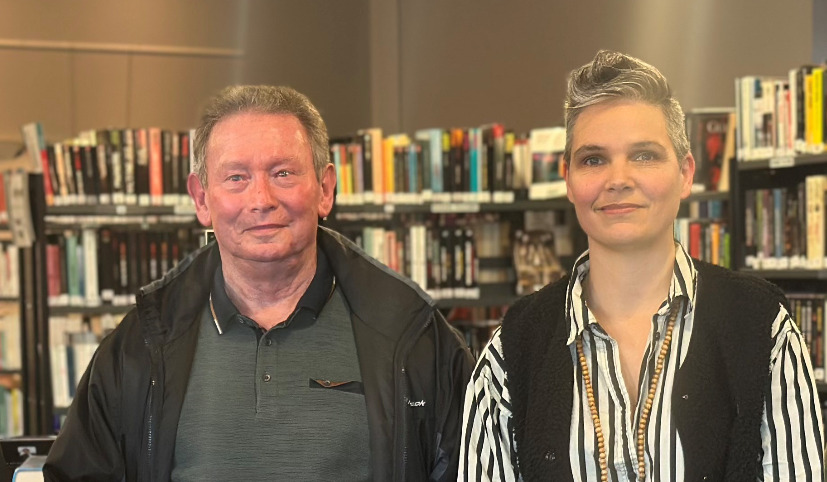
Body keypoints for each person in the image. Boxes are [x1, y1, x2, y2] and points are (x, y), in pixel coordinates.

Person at [43, 85, 473, 481]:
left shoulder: (413, 337)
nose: (261, 199)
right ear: (202, 199)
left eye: (283, 173)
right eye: (236, 177)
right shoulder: (140, 345)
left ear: (325, 189)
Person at [460, 50, 824, 481]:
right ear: (569, 179)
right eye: (593, 159)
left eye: (645, 155)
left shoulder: (764, 329)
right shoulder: (512, 351)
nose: (618, 178)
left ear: (686, 174)